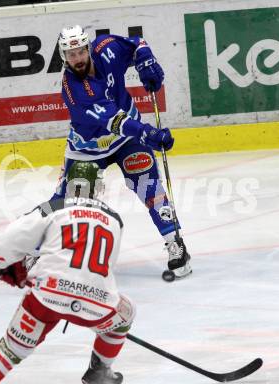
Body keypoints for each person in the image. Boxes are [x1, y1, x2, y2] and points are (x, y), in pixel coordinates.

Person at [0, 161, 135, 384]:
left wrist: (10, 266)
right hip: (97, 302)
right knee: (126, 314)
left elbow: (4, 244)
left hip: (47, 296)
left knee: (11, 349)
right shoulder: (115, 219)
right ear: (97, 187)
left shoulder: (52, 207)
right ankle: (99, 372)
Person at [54, 25, 191, 281]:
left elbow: (137, 43)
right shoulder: (73, 89)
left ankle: (175, 243)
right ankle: (40, 250)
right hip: (89, 148)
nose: (77, 59)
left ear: (87, 48)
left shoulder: (106, 48)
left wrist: (146, 62)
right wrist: (146, 133)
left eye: (80, 51)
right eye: (71, 55)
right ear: (64, 57)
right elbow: (114, 121)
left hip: (128, 139)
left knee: (149, 187)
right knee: (68, 201)